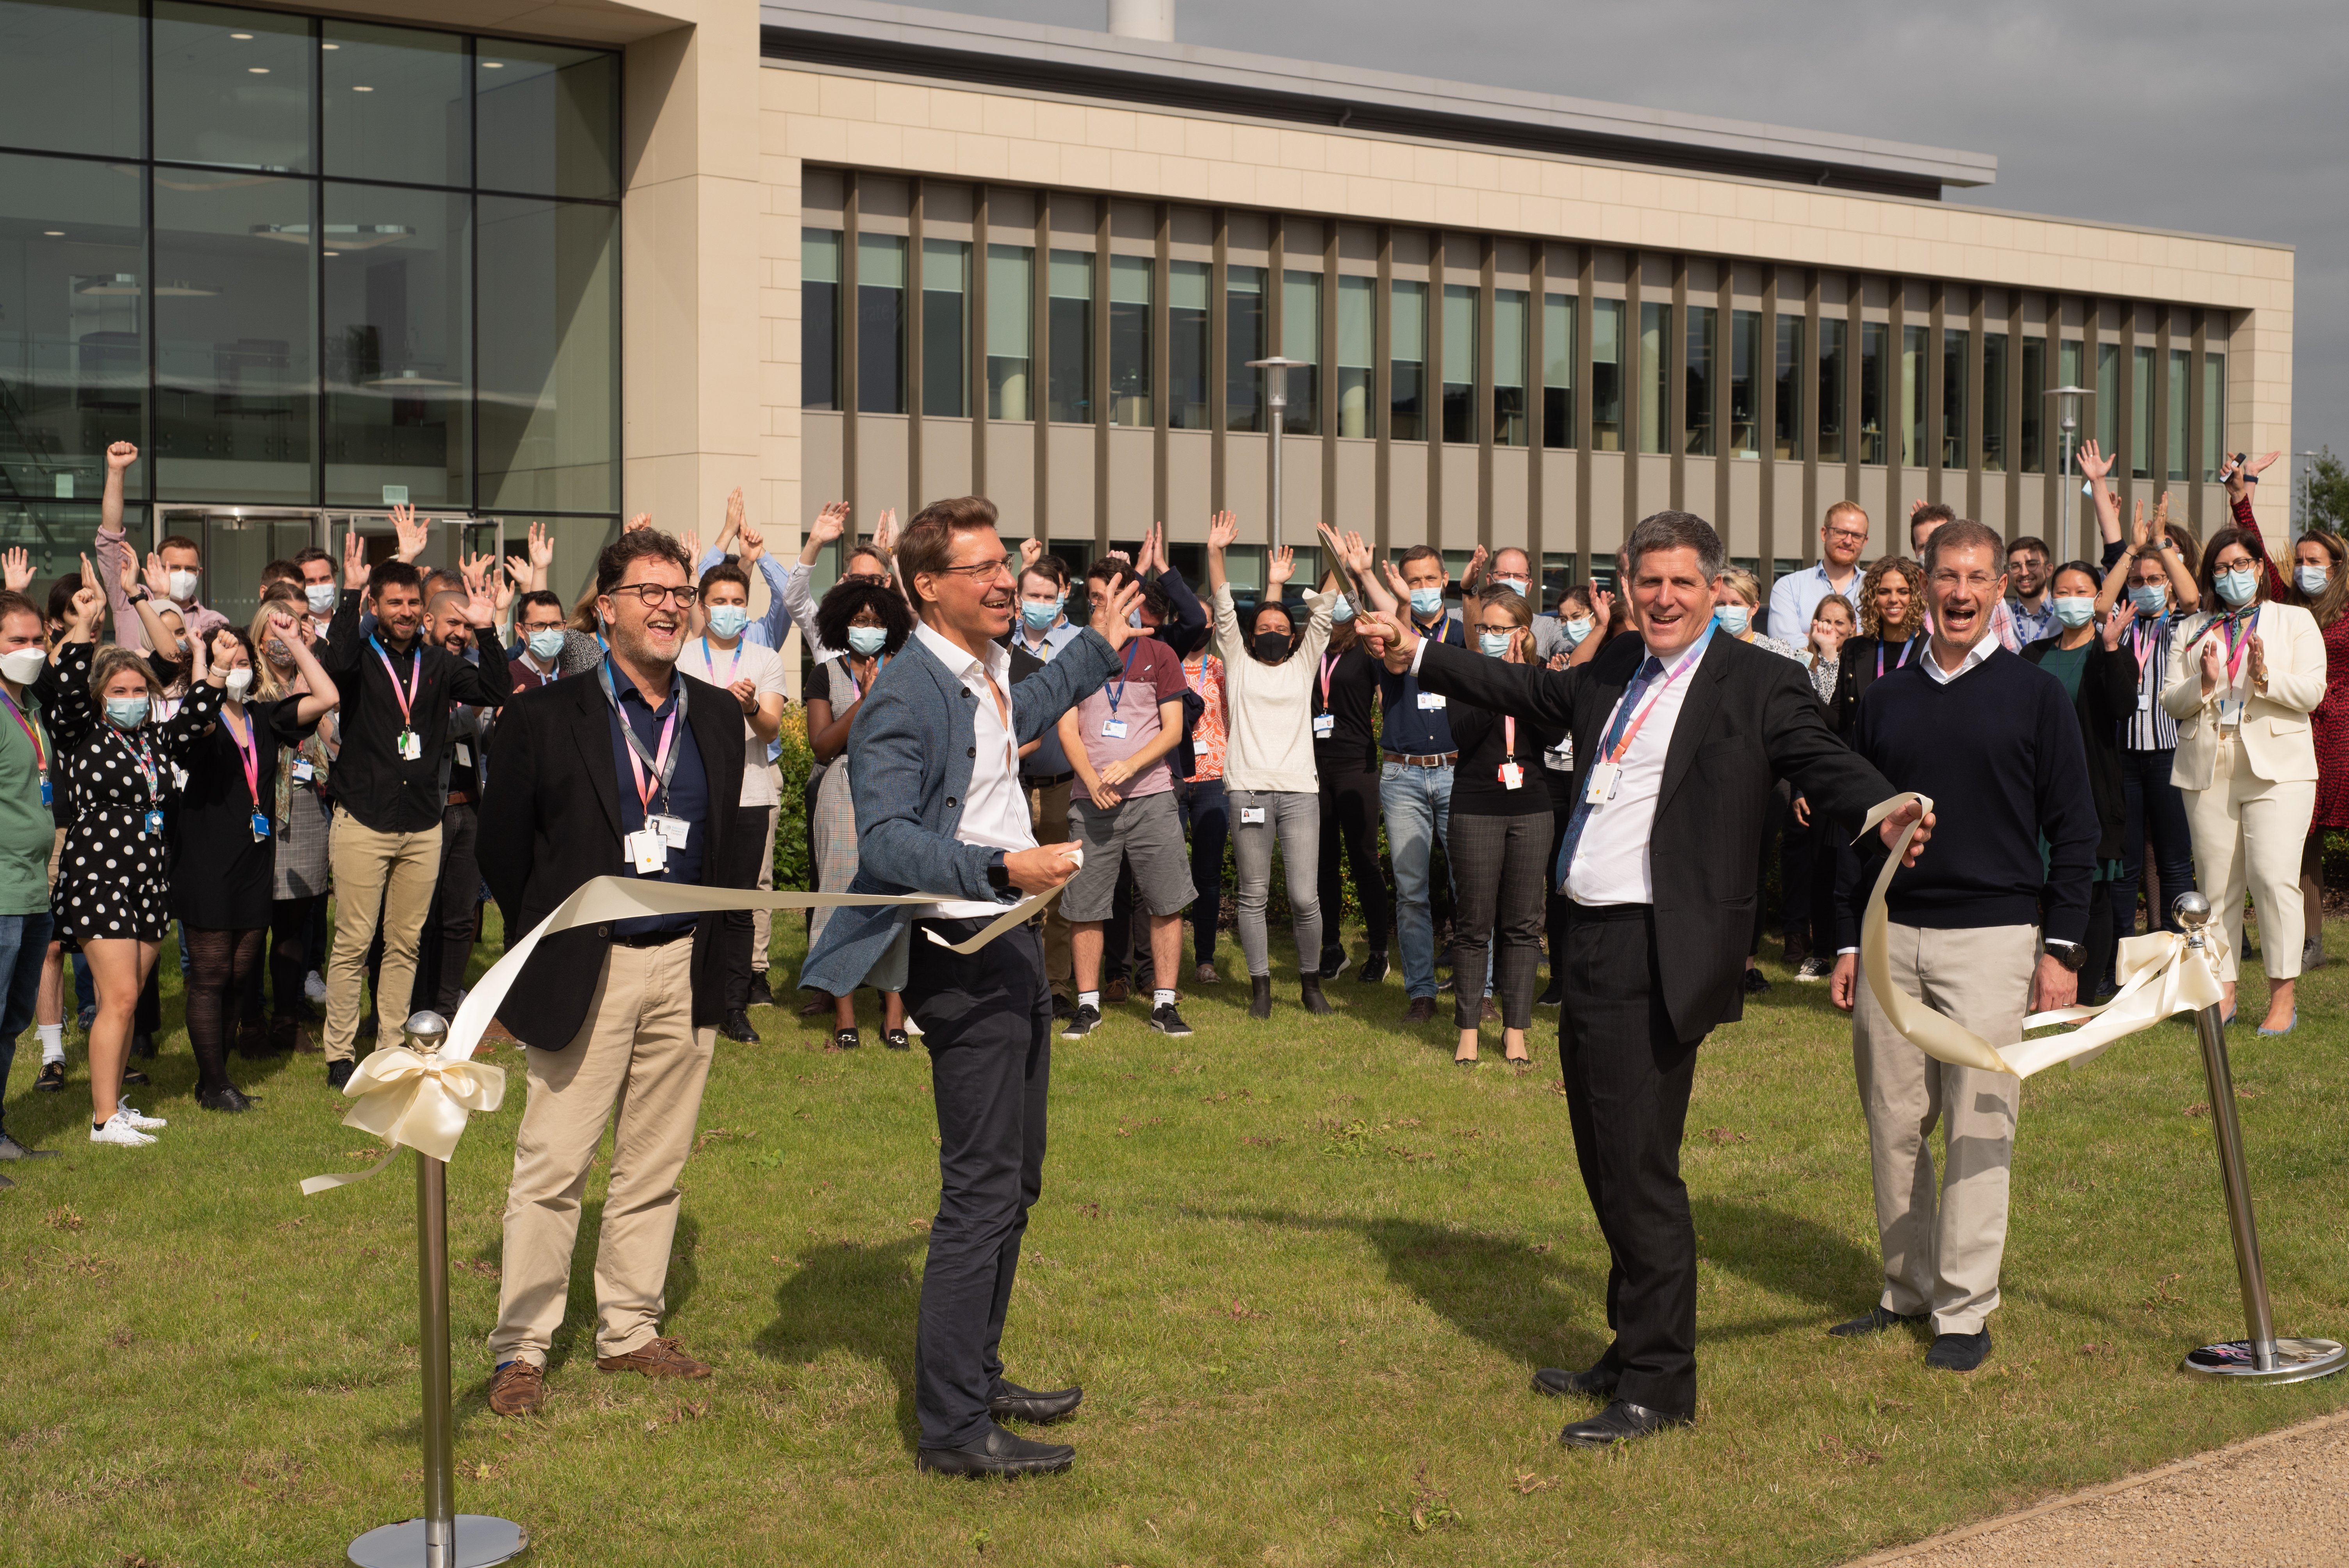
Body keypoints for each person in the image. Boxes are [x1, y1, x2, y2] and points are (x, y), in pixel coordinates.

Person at [1361, 509, 1905, 1448]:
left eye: (1681, 583)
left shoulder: (1759, 682)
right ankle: (1629, 1342)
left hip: (1661, 948)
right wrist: (1422, 653)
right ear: (1626, 585)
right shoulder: (1613, 669)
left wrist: (1886, 804)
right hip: (1592, 942)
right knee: (1605, 1156)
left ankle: (1659, 1382)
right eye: (1646, 582)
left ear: (1714, 589)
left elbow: (1825, 760)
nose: (1662, 598)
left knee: (1639, 1168)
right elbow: (1523, 682)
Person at [800, 494, 1148, 1477]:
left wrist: (1096, 646)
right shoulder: (907, 694)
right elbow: (893, 839)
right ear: (925, 589)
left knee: (1016, 1180)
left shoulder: (986, 671)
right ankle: (952, 1430)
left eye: (1006, 563)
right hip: (964, 947)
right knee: (981, 1190)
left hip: (1010, 943)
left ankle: (977, 1373)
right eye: (983, 568)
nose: (1006, 581)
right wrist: (1006, 867)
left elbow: (1018, 719)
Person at [480, 527, 758, 1419]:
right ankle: (521, 1345)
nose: (673, 604)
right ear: (605, 606)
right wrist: (552, 939)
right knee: (553, 1162)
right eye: (652, 590)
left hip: (684, 962)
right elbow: (502, 852)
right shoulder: (541, 717)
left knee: (654, 1162)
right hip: (583, 967)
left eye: (681, 589)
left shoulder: (715, 715)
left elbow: (729, 841)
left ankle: (629, 1329)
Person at [1825, 520, 2097, 1374]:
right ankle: (1903, 1289)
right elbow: (1853, 829)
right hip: (1889, 940)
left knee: (1981, 1125)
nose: (1959, 592)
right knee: (1893, 1124)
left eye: (1977, 578)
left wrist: (2059, 951)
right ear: (1922, 583)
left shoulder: (2034, 696)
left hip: (1992, 942)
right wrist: (1844, 940)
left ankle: (1963, 1310)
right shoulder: (1882, 699)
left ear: (1996, 592)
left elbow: (2075, 830)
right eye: (1946, 575)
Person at [312, 528, 511, 1087]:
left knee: (405, 942)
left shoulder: (439, 663)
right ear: (376, 606)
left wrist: (485, 625)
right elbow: (334, 663)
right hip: (363, 818)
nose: (404, 612)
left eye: (412, 604)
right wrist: (352, 592)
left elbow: (494, 689)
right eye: (393, 603)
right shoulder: (359, 656)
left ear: (424, 611)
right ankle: (340, 1054)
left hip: (423, 823)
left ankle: (393, 1046)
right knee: (355, 941)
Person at [45, 565, 233, 1147]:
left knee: (123, 1001)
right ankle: (102, 1121)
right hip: (99, 875)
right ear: (100, 699)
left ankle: (115, 1106)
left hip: (149, 877)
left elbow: (195, 717)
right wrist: (83, 624)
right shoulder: (80, 731)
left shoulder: (151, 739)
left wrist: (220, 668)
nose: (129, 700)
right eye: (118, 692)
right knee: (121, 996)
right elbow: (73, 681)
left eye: (137, 691)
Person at [167, 611, 337, 1110]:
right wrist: (212, 670)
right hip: (207, 861)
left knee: (242, 971)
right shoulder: (201, 717)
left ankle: (213, 1077)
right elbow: (185, 731)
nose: (238, 668)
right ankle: (216, 1082)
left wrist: (291, 639)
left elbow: (327, 697)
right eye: (229, 661)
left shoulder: (265, 717)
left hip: (253, 859)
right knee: (211, 971)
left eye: (244, 661)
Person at [2162, 527, 2326, 1035]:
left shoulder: (2294, 620)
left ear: (2258, 568)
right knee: (2216, 884)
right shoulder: (2192, 627)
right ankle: (2223, 992)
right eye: (2220, 568)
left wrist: (2264, 677)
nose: (2231, 575)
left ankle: (2282, 998)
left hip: (2278, 768)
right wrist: (2205, 682)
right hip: (2209, 763)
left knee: (2274, 878)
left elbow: (2313, 691)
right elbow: (2171, 699)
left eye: (2240, 565)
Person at [1206, 511, 1338, 1019]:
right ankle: (1261, 988)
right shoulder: (1237, 662)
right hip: (1249, 793)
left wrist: (1334, 559)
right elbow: (1222, 609)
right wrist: (1215, 551)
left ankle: (1309, 984)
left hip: (1300, 794)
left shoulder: (1305, 662)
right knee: (1254, 895)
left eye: (1281, 627)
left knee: (1306, 898)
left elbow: (1324, 610)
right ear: (1251, 633)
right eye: (1264, 627)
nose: (1273, 632)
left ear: (1293, 634)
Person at [1057, 558, 1196, 1039]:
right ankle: (1088, 1004)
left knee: (1166, 900)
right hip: (1090, 799)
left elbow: (1173, 729)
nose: (1101, 605)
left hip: (1153, 796)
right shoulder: (1077, 653)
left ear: (1134, 601)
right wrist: (1091, 778)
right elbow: (1066, 726)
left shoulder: (1160, 653)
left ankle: (1164, 1003)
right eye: (1094, 597)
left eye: (1109, 596)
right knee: (1084, 904)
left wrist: (1130, 765)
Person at [1443, 588, 1562, 1065]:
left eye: (1500, 629)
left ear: (1523, 632)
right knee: (1474, 925)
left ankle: (1516, 1029)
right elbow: (1464, 733)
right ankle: (1468, 1029)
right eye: (1484, 629)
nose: (1490, 636)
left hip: (1531, 808)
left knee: (1522, 925)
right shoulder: (1465, 676)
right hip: (1475, 808)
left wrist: (1524, 682)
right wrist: (1501, 683)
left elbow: (1554, 737)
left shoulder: (1539, 678)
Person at [804, 579, 920, 1049]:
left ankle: (894, 1014)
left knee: (896, 894)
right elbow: (823, 744)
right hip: (841, 788)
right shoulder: (825, 674)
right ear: (841, 624)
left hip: (895, 786)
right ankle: (844, 1014)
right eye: (859, 620)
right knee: (839, 896)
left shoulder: (908, 670)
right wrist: (866, 701)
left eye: (875, 621)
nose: (867, 629)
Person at [681, 558, 788, 1042]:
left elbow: (770, 729)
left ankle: (734, 1004)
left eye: (738, 602)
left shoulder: (763, 659)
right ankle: (689, 997)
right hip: (694, 795)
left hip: (751, 793)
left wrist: (746, 705)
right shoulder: (681, 657)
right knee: (693, 898)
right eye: (720, 602)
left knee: (740, 904)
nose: (729, 610)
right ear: (702, 607)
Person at [2019, 563, 2136, 1002]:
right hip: (2034, 795)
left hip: (2091, 790)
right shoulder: (2032, 655)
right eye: (2062, 590)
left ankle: (2084, 997)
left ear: (2096, 597)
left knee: (2093, 895)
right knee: (2039, 892)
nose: (2070, 598)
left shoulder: (2113, 653)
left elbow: (2122, 708)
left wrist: (2108, 649)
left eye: (2081, 590)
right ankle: (2036, 987)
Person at [1374, 543, 1467, 1022]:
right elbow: (1394, 662)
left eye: (1430, 579)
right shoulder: (1391, 630)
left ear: (1445, 579)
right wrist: (1401, 609)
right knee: (1412, 890)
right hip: (1403, 772)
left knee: (1468, 883)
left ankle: (1480, 990)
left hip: (1457, 768)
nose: (1424, 588)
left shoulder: (1468, 634)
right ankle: (1421, 992)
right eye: (1413, 581)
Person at [1713, 567, 1809, 992]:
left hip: (1763, 779)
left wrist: (1800, 786)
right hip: (1708, 775)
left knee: (1749, 873)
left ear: (1754, 607)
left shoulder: (1776, 655)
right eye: (1720, 603)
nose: (1726, 611)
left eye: (1735, 604)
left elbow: (1797, 726)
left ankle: (1746, 963)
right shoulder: (1699, 652)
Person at [251, 597, 337, 1054]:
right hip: (259, 816)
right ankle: (248, 1020)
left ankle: (286, 1020)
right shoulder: (248, 686)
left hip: (304, 815)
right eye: (272, 630)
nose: (280, 641)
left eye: (291, 630)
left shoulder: (313, 683)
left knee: (292, 930)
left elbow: (335, 740)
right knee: (249, 929)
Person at [1308, 530, 1389, 984]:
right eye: (1334, 593)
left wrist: (1358, 573)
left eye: (1348, 595)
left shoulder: (1366, 644)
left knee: (1363, 858)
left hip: (1356, 766)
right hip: (1314, 767)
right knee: (1322, 860)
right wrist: (1334, 562)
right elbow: (1319, 606)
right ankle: (1332, 946)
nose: (1340, 600)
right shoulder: (1310, 644)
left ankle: (1378, 949)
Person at [0, 589, 61, 1180]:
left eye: (37, 639)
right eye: (17, 640)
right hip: (1, 895)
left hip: (32, 889)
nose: (31, 650)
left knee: (10, 1023)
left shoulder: (31, 709)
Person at [1009, 551, 1084, 1011]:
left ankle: (1056, 984)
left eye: (1048, 595)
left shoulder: (1079, 645)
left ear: (1062, 597)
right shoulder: (1000, 645)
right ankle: (1018, 979)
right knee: (1015, 884)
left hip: (1060, 783)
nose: (1040, 602)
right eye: (1032, 595)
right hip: (1012, 782)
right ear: (1018, 599)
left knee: (1057, 885)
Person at [2286, 526, 2349, 968]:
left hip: (2344, 735)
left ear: (2337, 566)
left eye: (2314, 561)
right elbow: (2260, 568)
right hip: (2302, 733)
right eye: (2300, 561)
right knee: (2305, 837)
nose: (2305, 569)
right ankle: (2311, 942)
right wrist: (2241, 500)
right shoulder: (2287, 611)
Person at [1175, 636, 1230, 985]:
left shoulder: (1222, 669)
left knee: (1207, 875)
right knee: (1166, 872)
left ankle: (1205, 960)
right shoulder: (1167, 663)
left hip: (1214, 779)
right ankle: (1156, 963)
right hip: (1171, 778)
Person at [1830, 556, 1928, 736]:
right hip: (1863, 760)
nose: (1893, 599)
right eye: (1884, 592)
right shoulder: (1853, 649)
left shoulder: (1934, 651)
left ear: (1915, 596)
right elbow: (1838, 719)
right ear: (1873, 598)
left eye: (1903, 592)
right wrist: (1806, 691)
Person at [1909, 503, 2019, 651]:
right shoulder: (1905, 598)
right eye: (1924, 546)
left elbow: (2009, 652)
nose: (1961, 594)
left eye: (1977, 578)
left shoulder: (1992, 596)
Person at [1766, 500, 1871, 639]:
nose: (1848, 541)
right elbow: (1785, 646)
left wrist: (1813, 638)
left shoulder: (1876, 588)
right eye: (1840, 532)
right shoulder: (1789, 587)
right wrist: (1857, 638)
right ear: (1824, 534)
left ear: (1865, 542)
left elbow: (1884, 641)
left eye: (1857, 536)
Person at [2002, 536, 2058, 646]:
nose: (2024, 573)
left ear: (2049, 570)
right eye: (2016, 566)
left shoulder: (2064, 616)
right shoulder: (2002, 616)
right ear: (2009, 575)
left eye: (2032, 564)